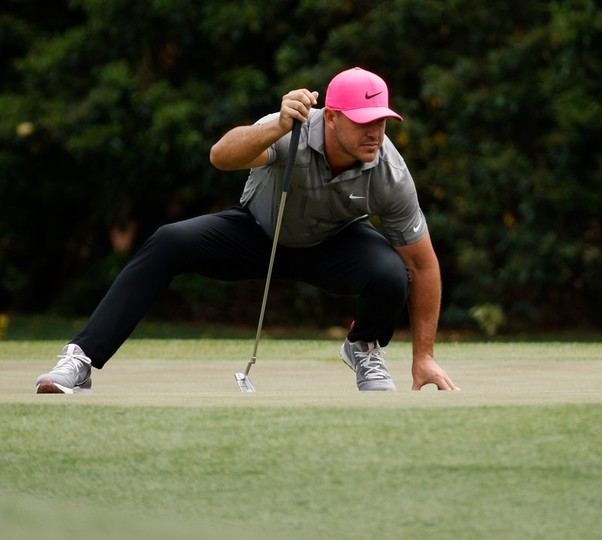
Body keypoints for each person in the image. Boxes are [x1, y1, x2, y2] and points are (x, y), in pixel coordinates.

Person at [35, 67, 459, 393]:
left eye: (381, 120)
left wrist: (424, 357)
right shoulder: (290, 127)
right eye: (363, 120)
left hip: (334, 242)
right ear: (330, 117)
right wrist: (276, 126)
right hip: (257, 233)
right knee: (168, 241)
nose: (375, 131)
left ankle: (363, 347)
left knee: (390, 272)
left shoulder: (389, 170)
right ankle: (81, 360)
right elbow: (221, 156)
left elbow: (423, 266)